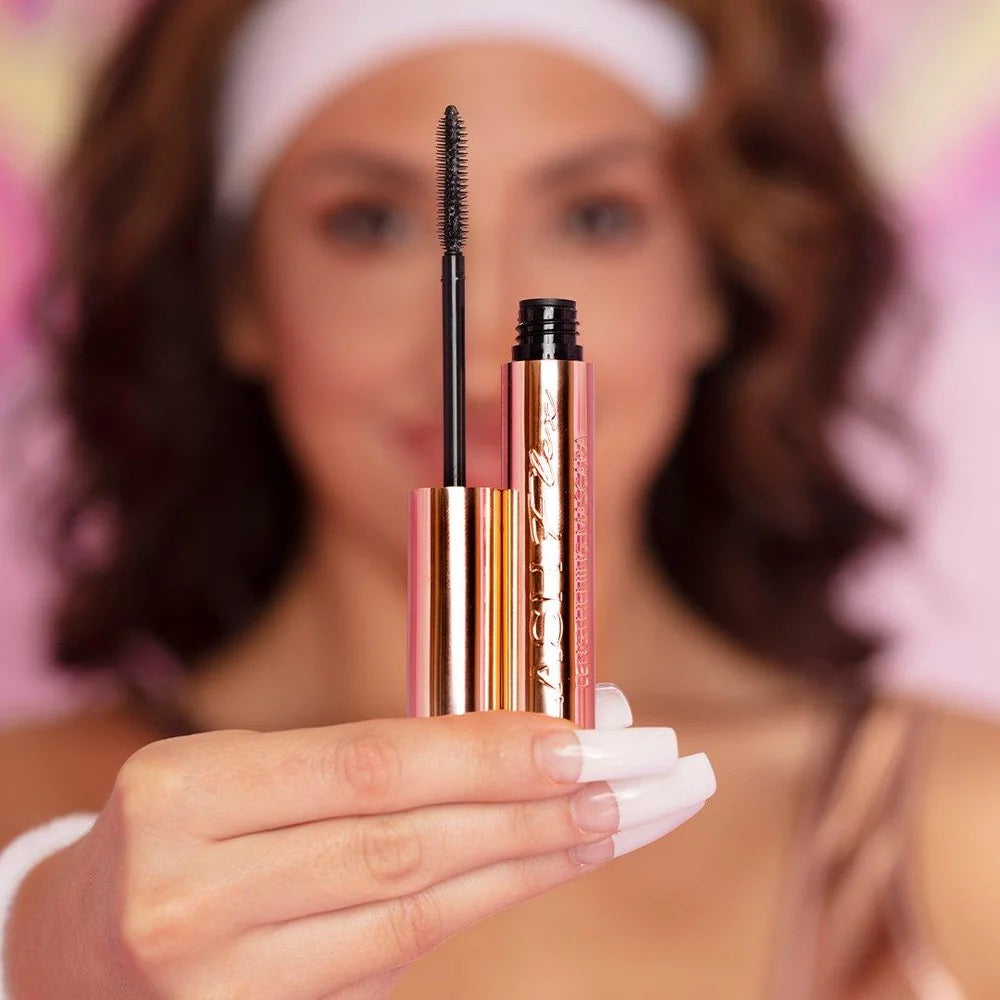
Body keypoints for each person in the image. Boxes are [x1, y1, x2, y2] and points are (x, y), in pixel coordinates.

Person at [1, 0, 998, 997]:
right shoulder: (33, 832)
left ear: (713, 282)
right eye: (369, 222)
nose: (483, 354)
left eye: (596, 216)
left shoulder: (960, 827)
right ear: (240, 293)